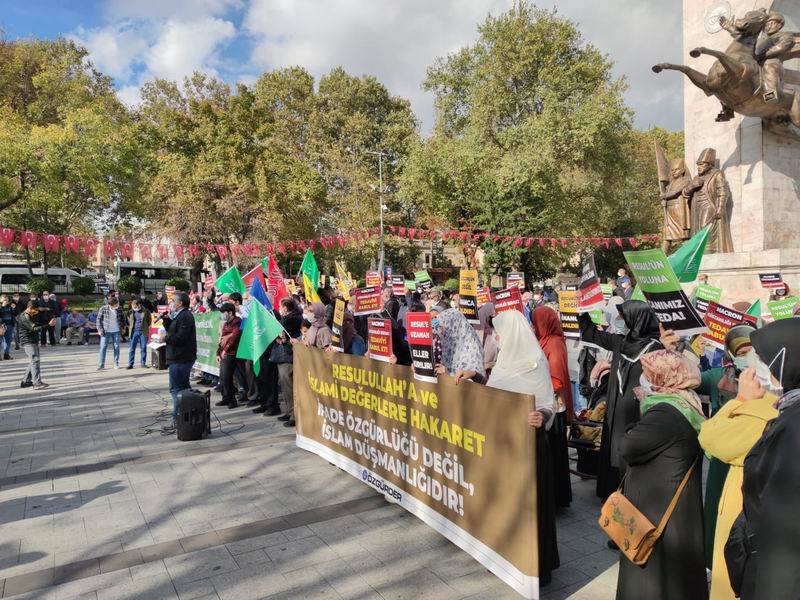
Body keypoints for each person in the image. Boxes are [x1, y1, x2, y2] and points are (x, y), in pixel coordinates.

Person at [615, 350, 707, 600]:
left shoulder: (665, 412)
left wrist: (633, 413)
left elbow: (626, 446)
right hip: (675, 506)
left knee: (654, 578)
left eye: (648, 374)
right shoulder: (685, 402)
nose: (644, 379)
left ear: (663, 377)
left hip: (657, 512)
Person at [694, 327, 776, 600]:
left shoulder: (771, 400)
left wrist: (740, 400)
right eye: (742, 353)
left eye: (754, 351)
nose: (749, 358)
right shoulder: (721, 376)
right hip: (722, 470)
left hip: (743, 477)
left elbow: (709, 435)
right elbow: (693, 379)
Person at [725, 319, 800, 600]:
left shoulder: (793, 427)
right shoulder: (789, 412)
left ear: (786, 361)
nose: (759, 369)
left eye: (765, 361)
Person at [486, 309, 558, 586]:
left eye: (499, 332)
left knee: (530, 505)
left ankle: (536, 566)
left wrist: (542, 416)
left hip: (530, 446)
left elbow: (547, 404)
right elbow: (492, 396)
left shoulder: (534, 363)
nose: (496, 337)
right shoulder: (503, 362)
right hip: (503, 445)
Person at [578, 300, 663, 501]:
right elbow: (591, 334)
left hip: (638, 409)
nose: (619, 321)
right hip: (616, 409)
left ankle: (632, 492)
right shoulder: (621, 342)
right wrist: (583, 311)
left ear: (636, 319)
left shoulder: (656, 349)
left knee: (631, 448)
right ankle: (610, 491)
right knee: (613, 448)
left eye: (622, 317)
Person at [532, 306, 574, 508]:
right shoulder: (544, 341)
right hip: (547, 404)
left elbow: (557, 380)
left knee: (555, 452)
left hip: (554, 407)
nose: (533, 326)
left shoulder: (555, 344)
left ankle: (557, 499)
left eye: (536, 322)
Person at [160, 292, 197, 424]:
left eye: (173, 300)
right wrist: (166, 320)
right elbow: (173, 330)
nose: (171, 303)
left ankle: (177, 418)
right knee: (184, 388)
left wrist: (166, 338)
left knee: (176, 389)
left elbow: (181, 337)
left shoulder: (185, 316)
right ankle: (186, 416)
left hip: (181, 357)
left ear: (180, 303)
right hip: (178, 357)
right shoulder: (179, 315)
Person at [271, 297, 303, 426]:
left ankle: (294, 415)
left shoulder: (291, 319)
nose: (279, 308)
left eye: (280, 306)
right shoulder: (289, 318)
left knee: (289, 385)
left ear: (285, 307)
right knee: (285, 385)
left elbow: (281, 333)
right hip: (285, 355)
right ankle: (289, 412)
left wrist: (279, 337)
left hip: (288, 356)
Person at [433, 308, 486, 384]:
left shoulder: (471, 348)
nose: (443, 332)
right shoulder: (448, 343)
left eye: (447, 327)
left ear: (455, 326)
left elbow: (476, 380)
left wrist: (449, 373)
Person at [16, 301, 56, 389]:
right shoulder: (24, 316)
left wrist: (48, 322)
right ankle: (37, 383)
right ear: (30, 308)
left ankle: (26, 381)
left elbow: (38, 323)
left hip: (33, 340)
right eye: (35, 310)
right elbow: (34, 328)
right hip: (27, 341)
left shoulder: (31, 314)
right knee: (35, 360)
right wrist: (48, 325)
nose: (36, 312)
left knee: (34, 360)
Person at [215, 302, 242, 408]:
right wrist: (218, 352)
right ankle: (225, 397)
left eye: (224, 313)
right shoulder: (226, 324)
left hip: (232, 353)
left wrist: (225, 350)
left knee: (227, 377)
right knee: (222, 378)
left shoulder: (237, 322)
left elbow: (234, 337)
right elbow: (222, 339)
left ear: (230, 312)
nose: (222, 315)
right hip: (224, 354)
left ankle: (232, 400)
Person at [97, 296, 126, 370]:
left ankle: (116, 363)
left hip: (116, 331)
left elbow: (123, 319)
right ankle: (101, 365)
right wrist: (99, 330)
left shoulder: (119, 309)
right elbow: (98, 320)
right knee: (103, 347)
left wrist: (123, 328)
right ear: (110, 305)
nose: (117, 306)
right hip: (105, 331)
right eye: (115, 305)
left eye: (117, 304)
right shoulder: (103, 308)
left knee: (116, 347)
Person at [126, 299, 151, 369]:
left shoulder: (146, 311)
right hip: (134, 332)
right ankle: (130, 364)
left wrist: (145, 326)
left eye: (135, 307)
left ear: (139, 305)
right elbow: (128, 321)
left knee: (143, 348)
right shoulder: (130, 312)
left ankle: (143, 363)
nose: (134, 308)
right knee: (132, 348)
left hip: (143, 331)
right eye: (132, 306)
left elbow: (149, 320)